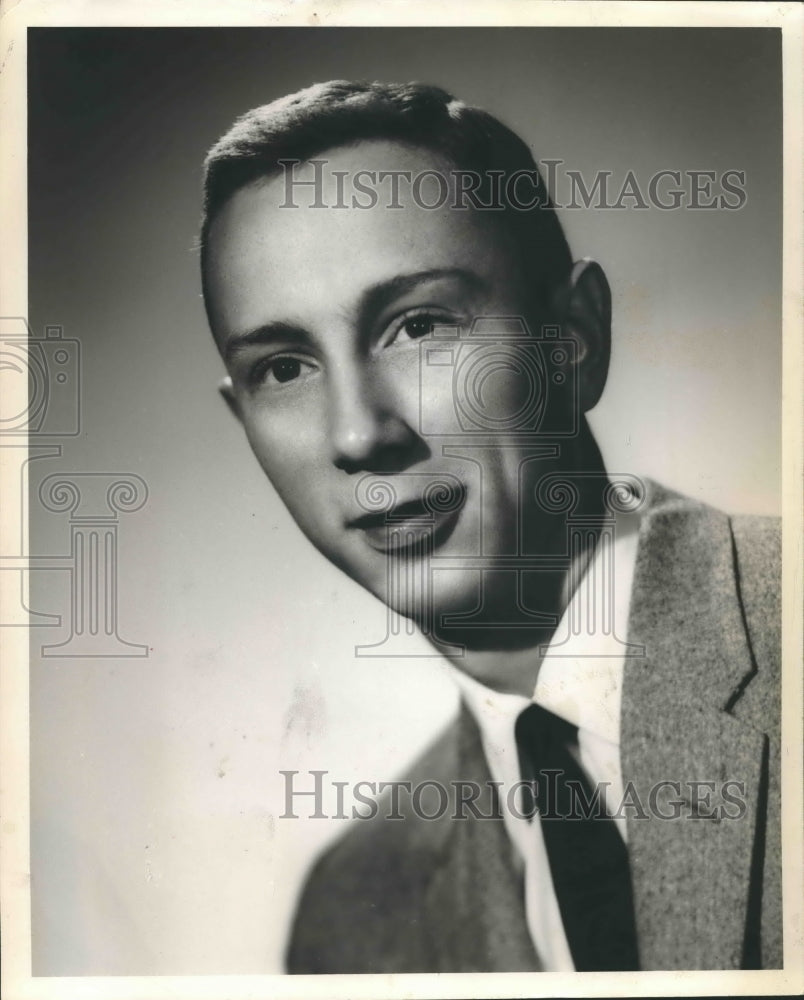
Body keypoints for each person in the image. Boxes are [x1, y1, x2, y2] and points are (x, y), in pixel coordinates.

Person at [198, 80, 781, 973]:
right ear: (244, 424)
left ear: (574, 338)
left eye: (419, 325)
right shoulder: (352, 920)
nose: (358, 434)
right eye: (284, 368)